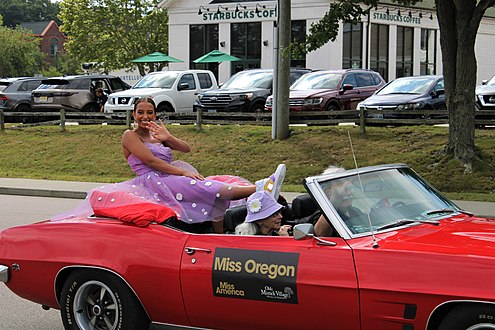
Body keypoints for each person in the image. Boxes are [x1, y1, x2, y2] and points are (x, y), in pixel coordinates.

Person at [120, 97, 286, 233]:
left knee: (218, 190)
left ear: (155, 114)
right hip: (153, 180)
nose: (145, 116)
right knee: (208, 187)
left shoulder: (157, 134)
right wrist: (182, 173)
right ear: (134, 114)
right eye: (140, 112)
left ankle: (220, 235)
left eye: (150, 112)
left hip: (169, 176)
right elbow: (151, 161)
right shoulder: (129, 135)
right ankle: (262, 187)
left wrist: (168, 137)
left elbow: (186, 148)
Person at [314, 166, 363, 237]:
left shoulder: (355, 211)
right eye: (344, 190)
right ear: (328, 193)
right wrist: (335, 200)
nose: (349, 193)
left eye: (350, 188)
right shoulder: (320, 215)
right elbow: (321, 234)